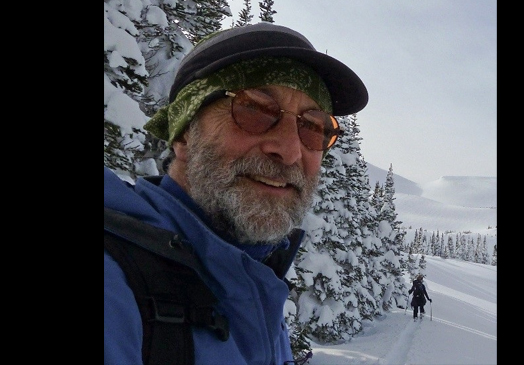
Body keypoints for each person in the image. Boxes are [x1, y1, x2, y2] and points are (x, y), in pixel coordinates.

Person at [104, 22, 369, 365]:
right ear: (184, 133)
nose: (289, 151)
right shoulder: (115, 290)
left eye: (313, 127)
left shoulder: (256, 282)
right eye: (254, 109)